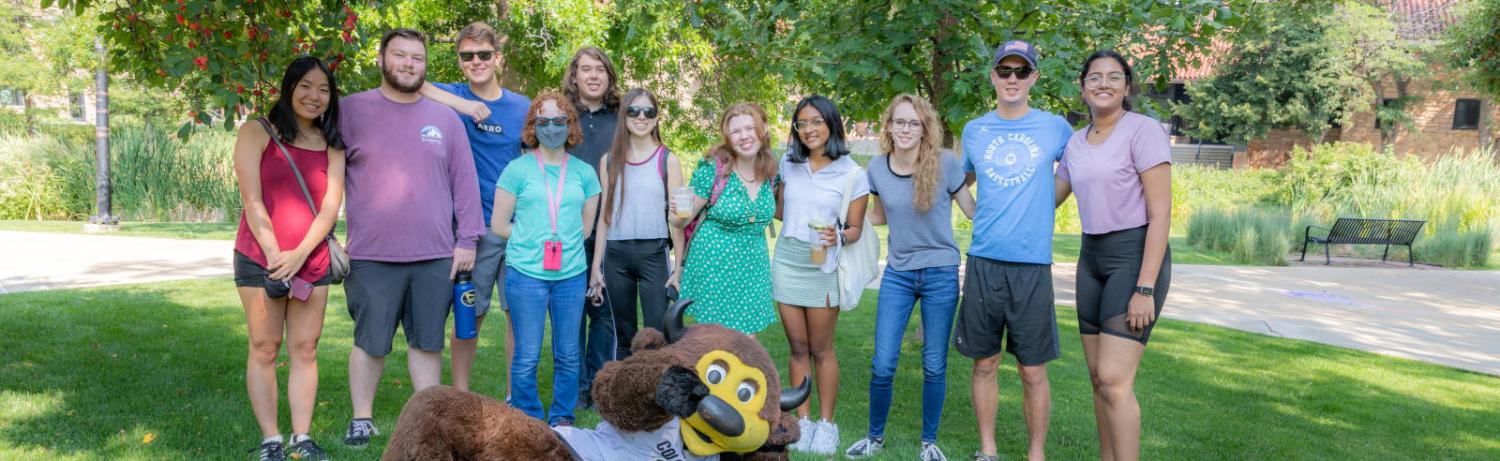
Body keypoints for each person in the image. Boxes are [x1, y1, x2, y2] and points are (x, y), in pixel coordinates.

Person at [337, 28, 483, 448]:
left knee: (427, 342)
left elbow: (465, 184)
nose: (408, 64)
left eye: (417, 58)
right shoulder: (351, 111)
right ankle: (362, 418)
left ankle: (427, 420)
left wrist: (467, 240)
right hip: (371, 254)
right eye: (400, 56)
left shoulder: (444, 120)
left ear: (425, 66)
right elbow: (324, 175)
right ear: (382, 59)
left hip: (435, 254)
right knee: (370, 341)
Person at [953, 40, 1075, 461]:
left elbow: (1077, 171)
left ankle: (1035, 454)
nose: (1012, 79)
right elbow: (956, 179)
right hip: (985, 260)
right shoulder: (975, 129)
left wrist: (1046, 202)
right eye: (1004, 70)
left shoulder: (1056, 127)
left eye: (1021, 72)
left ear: (1034, 78)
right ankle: (987, 449)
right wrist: (971, 211)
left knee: (1032, 369)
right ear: (992, 76)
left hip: (1032, 265)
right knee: (984, 364)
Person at [1054, 50, 1172, 461]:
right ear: (1083, 86)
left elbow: (1160, 215)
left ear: (1126, 85)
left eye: (1114, 77)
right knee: (1096, 378)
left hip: (1134, 257)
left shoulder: (1144, 130)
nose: (1103, 84)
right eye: (1095, 77)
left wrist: (1145, 287)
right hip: (1092, 258)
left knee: (1114, 379)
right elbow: (1047, 199)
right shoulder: (1074, 142)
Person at [844, 94, 975, 461]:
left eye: (913, 123)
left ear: (924, 128)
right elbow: (879, 216)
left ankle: (928, 443)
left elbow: (971, 210)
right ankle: (874, 438)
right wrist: (840, 218)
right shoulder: (876, 168)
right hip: (898, 273)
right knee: (883, 362)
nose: (905, 128)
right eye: (899, 121)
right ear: (888, 126)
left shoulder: (946, 164)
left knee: (934, 363)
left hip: (940, 272)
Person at [232, 56, 344, 461]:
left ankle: (302, 437)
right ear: (289, 87)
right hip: (260, 257)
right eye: (306, 86)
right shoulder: (256, 131)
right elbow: (252, 200)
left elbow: (331, 209)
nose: (315, 96)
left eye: (324, 89)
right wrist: (276, 255)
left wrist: (298, 255)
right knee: (264, 346)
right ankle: (270, 440)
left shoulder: (332, 145)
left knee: (305, 348)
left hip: (310, 260)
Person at [418, 21, 533, 396]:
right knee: (470, 314)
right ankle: (461, 396)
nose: (476, 61)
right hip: (474, 229)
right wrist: (464, 105)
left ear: (497, 58)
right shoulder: (450, 96)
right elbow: (412, 82)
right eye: (467, 56)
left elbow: (535, 162)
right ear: (460, 61)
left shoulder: (521, 107)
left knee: (518, 316)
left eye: (484, 54)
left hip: (519, 229)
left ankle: (517, 395)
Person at [491, 91, 602, 427]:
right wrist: (532, 239)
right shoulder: (517, 170)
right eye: (543, 121)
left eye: (559, 121)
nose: (551, 127)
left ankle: (563, 418)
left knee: (568, 354)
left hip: (570, 275)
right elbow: (498, 225)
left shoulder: (585, 174)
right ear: (532, 126)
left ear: (569, 126)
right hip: (526, 274)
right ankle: (528, 418)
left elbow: (584, 229)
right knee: (527, 354)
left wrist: (558, 241)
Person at [774, 95, 869, 456]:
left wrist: (838, 235)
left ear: (831, 124)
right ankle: (803, 420)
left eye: (816, 121)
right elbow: (781, 210)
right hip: (788, 259)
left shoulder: (852, 173)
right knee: (797, 347)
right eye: (801, 124)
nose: (809, 129)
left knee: (821, 348)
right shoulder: (789, 163)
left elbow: (856, 227)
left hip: (823, 263)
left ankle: (827, 425)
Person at [589, 88, 685, 360]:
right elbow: (605, 217)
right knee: (624, 334)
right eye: (633, 111)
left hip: (654, 255)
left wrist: (678, 269)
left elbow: (677, 221)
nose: (641, 117)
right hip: (616, 256)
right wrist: (596, 266)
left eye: (648, 112)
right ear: (624, 116)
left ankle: (657, 395)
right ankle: (624, 396)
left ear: (656, 119)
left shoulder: (668, 160)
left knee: (657, 335)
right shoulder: (609, 161)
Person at [669, 103, 778, 336]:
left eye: (750, 128)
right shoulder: (714, 169)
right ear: (727, 137)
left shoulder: (770, 170)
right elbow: (679, 222)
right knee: (714, 344)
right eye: (735, 131)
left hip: (753, 268)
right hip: (714, 267)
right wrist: (678, 213)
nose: (744, 136)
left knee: (747, 344)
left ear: (764, 128)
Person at [561, 46, 621, 409]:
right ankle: (576, 385)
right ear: (575, 76)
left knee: (603, 312)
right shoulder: (563, 116)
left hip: (611, 227)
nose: (594, 75)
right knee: (572, 311)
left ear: (609, 76)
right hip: (568, 228)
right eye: (586, 69)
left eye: (600, 69)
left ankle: (599, 384)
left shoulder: (623, 118)